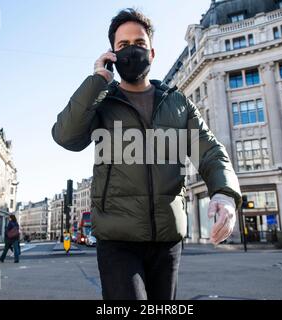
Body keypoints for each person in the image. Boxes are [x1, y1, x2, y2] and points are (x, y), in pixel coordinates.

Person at [51, 8, 242, 300]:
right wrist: (97, 80)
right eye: (123, 46)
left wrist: (224, 193)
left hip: (167, 241)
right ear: (111, 55)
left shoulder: (178, 104)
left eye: (139, 44)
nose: (132, 51)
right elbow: (66, 136)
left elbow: (210, 151)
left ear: (152, 53)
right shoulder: (102, 101)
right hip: (117, 240)